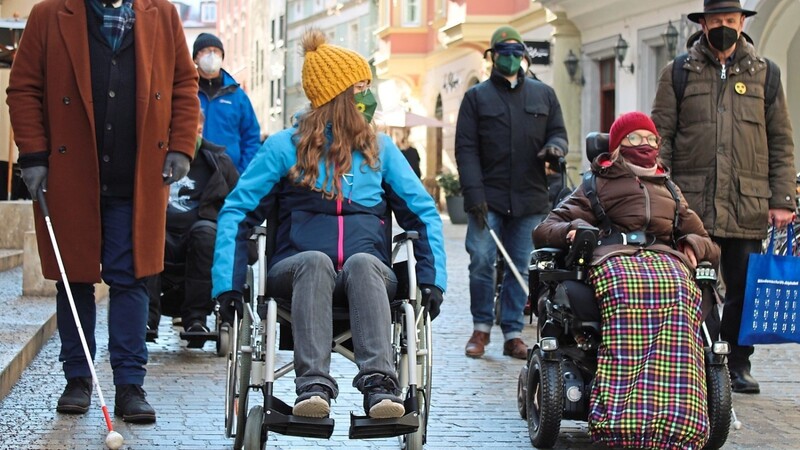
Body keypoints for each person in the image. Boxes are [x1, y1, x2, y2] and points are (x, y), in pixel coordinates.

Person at [211, 29, 447, 420]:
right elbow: (237, 212)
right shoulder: (283, 148)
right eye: (361, 88)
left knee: (362, 263)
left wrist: (431, 279)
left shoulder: (381, 151)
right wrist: (228, 285)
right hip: (297, 271)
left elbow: (422, 215)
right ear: (338, 97)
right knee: (316, 260)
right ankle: (313, 387)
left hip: (368, 274)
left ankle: (379, 387)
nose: (369, 98)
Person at [6, 0, 199, 423]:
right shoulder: (48, 14)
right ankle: (78, 378)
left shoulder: (162, 14)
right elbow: (23, 89)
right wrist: (34, 155)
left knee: (131, 280)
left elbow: (185, 84)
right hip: (70, 174)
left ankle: (130, 385)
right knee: (74, 280)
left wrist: (182, 146)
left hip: (138, 178)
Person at [534, 111, 720, 449]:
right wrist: (572, 230)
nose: (644, 146)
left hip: (667, 260)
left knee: (681, 290)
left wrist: (693, 244)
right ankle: (621, 416)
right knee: (629, 291)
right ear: (619, 146)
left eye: (650, 140)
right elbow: (544, 228)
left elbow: (707, 241)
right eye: (635, 139)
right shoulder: (596, 183)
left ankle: (679, 417)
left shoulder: (669, 188)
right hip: (613, 257)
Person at [651, 0, 796, 394]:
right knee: (693, 287)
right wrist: (660, 193)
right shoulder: (678, 73)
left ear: (742, 22)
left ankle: (737, 362)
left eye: (730, 20)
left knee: (745, 289)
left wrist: (782, 197)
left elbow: (781, 140)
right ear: (704, 23)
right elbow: (660, 137)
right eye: (716, 20)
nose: (723, 27)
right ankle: (699, 360)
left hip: (747, 201)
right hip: (692, 204)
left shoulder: (766, 75)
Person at [455, 25, 568, 359]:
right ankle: (481, 328)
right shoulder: (476, 98)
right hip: (487, 198)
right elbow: (466, 149)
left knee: (521, 266)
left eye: (516, 54)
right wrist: (473, 194)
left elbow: (559, 133)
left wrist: (554, 149)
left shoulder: (543, 94)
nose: (511, 60)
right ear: (492, 57)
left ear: (524, 58)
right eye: (504, 54)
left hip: (530, 196)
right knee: (482, 261)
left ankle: (513, 332)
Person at [146, 112, 239, 343]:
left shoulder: (218, 162)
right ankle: (146, 318)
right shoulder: (150, 159)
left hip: (199, 235)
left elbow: (238, 204)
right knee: (148, 234)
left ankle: (196, 318)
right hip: (162, 232)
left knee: (205, 233)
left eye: (196, 131)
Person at [193, 32, 262, 173]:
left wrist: (241, 174)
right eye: (205, 51)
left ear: (222, 56)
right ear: (195, 58)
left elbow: (251, 138)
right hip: (193, 174)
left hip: (229, 176)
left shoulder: (237, 96)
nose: (211, 55)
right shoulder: (187, 93)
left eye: (216, 51)